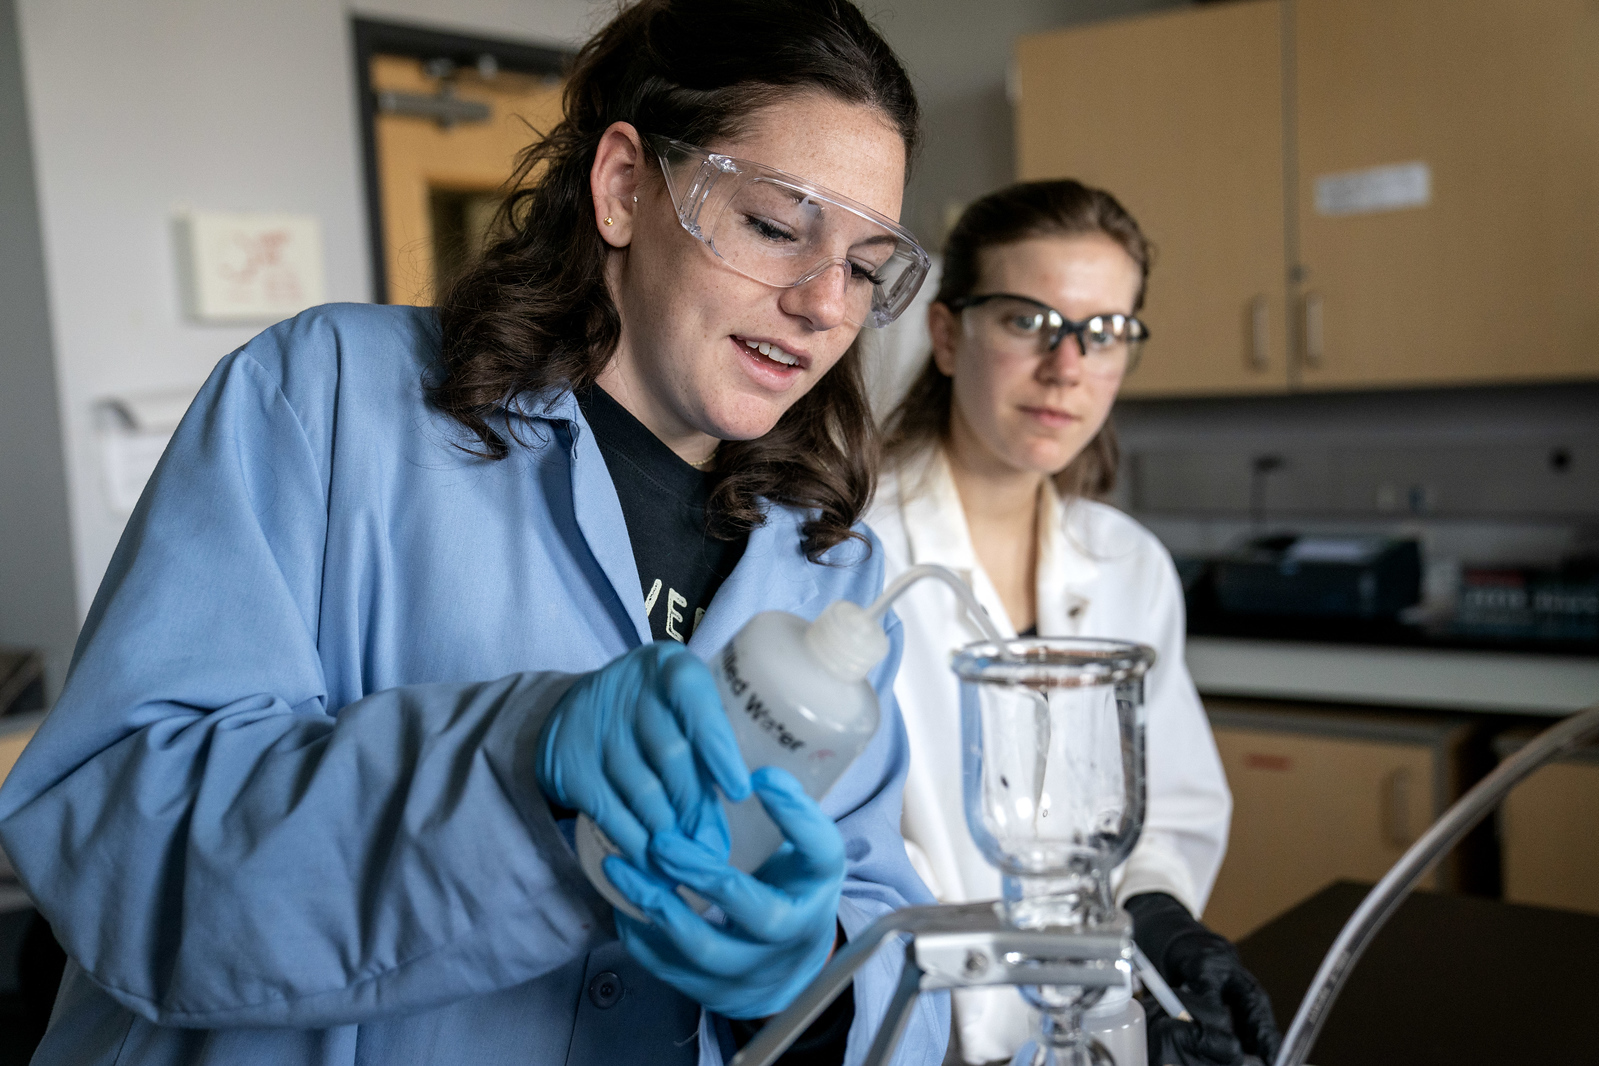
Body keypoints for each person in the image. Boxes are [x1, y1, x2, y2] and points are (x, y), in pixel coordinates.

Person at [0, 2, 951, 1063]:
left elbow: (890, 945)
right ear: (624, 186)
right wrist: (517, 760)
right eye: (776, 226)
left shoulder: (830, 569)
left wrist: (811, 980)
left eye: (865, 267)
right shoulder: (328, 399)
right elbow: (118, 841)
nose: (825, 304)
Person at [866, 181, 1281, 1066]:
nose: (1067, 366)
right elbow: (842, 844)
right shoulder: (849, 553)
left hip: (1091, 1033)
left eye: (1104, 331)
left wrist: (1157, 918)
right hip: (907, 1031)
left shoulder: (1127, 564)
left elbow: (1171, 806)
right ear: (947, 335)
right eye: (1028, 321)